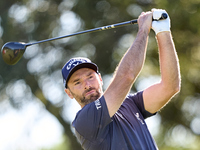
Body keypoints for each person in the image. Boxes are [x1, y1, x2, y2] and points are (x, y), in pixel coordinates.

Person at [61, 8, 181, 150]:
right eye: (77, 82)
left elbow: (170, 87)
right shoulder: (84, 122)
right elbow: (127, 76)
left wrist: (163, 31)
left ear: (100, 79)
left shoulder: (130, 103)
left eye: (90, 76)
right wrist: (143, 30)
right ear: (69, 93)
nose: (87, 85)